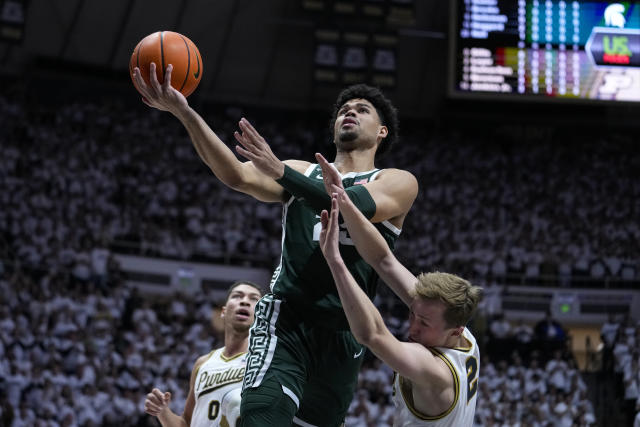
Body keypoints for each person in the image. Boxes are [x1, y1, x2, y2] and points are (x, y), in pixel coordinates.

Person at [132, 63, 418, 426]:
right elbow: (236, 175)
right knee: (262, 416)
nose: (349, 112)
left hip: (346, 332)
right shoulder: (303, 170)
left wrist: (279, 170)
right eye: (344, 109)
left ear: (382, 131)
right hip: (287, 318)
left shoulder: (396, 180)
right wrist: (185, 113)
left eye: (362, 110)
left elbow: (353, 206)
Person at [316, 156, 482, 426]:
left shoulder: (434, 369)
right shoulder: (458, 329)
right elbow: (384, 260)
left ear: (456, 331)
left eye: (424, 322)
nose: (412, 327)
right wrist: (344, 201)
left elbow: (371, 334)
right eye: (413, 314)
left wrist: (335, 260)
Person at [143, 281, 263, 427]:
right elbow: (186, 423)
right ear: (223, 312)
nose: (244, 301)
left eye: (254, 299)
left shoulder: (267, 361)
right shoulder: (203, 363)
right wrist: (162, 412)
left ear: (262, 315)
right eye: (237, 296)